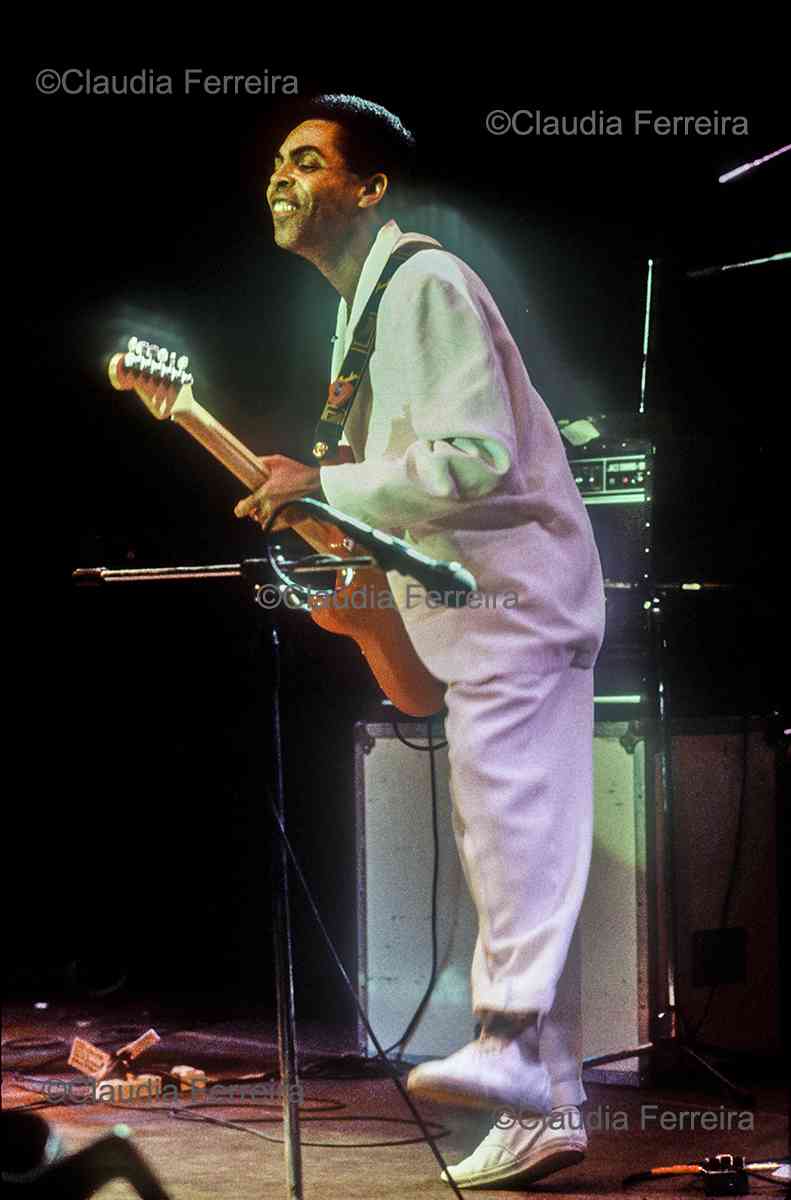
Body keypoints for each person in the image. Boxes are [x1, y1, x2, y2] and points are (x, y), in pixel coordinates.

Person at [235, 94, 605, 1190]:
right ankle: (551, 1104)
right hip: (476, 620)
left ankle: (510, 1055)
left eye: (306, 160)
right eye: (274, 166)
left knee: (513, 852)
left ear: (369, 186)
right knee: (510, 858)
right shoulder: (358, 314)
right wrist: (338, 535)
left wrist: (327, 485)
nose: (281, 178)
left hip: (515, 609)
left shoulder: (428, 283)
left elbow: (475, 455)